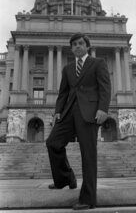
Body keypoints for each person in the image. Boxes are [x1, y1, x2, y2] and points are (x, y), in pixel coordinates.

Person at [46, 32, 111, 210]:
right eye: (74, 44)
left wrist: (103, 109)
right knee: (53, 143)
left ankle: (88, 199)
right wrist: (58, 111)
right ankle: (66, 178)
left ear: (87, 46)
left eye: (80, 43)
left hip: (89, 113)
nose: (77, 46)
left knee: (88, 155)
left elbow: (105, 87)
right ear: (71, 48)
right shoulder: (67, 69)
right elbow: (63, 93)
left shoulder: (98, 63)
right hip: (68, 113)